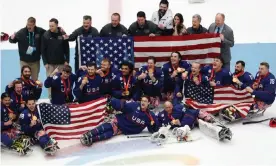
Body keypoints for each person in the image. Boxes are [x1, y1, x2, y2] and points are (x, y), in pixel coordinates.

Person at [80, 96, 159, 146]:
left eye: (145, 101)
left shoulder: (151, 116)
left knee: (109, 134)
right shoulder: (134, 105)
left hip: (124, 130)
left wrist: (154, 123)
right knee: (109, 127)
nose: (143, 102)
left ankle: (92, 139)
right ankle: (89, 134)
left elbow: (153, 129)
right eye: (142, 100)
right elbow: (122, 106)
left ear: (148, 103)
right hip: (119, 121)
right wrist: (112, 100)